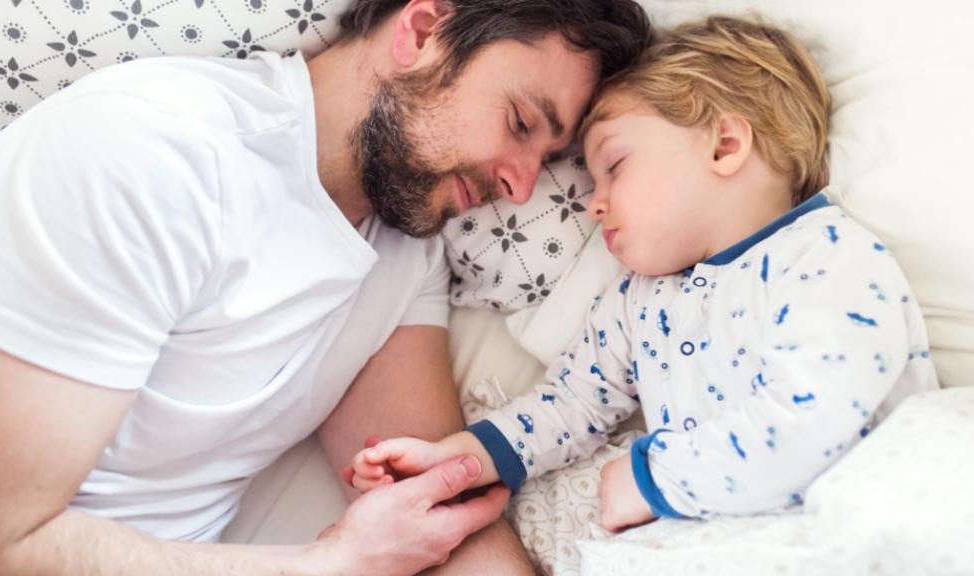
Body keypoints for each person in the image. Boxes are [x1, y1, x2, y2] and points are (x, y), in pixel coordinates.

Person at [0, 0, 650, 574]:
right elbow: (3, 539)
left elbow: (436, 513)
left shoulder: (404, 254)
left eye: (547, 159)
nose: (523, 186)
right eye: (520, 123)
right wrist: (331, 566)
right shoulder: (149, 155)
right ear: (421, 33)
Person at [348, 16, 939, 533]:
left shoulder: (825, 259)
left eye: (614, 164)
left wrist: (656, 479)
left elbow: (816, 416)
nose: (592, 202)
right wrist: (459, 460)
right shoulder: (640, 300)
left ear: (725, 145)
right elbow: (571, 404)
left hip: (850, 520)